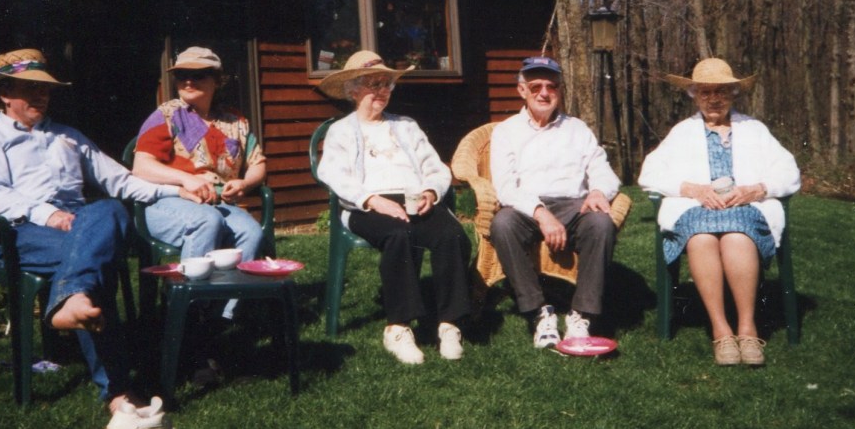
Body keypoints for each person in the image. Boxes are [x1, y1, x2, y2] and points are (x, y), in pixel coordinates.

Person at [0, 48, 200, 411]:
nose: (41, 95)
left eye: (44, 88)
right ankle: (118, 392)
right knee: (93, 261)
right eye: (30, 87)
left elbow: (120, 180)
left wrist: (176, 190)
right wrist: (48, 214)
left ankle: (73, 300)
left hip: (80, 224)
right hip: (20, 232)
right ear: (5, 93)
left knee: (109, 209)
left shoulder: (68, 136)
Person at [638, 58, 800, 366]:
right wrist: (693, 189)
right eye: (706, 92)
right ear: (695, 96)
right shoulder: (682, 132)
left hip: (744, 207)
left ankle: (747, 329)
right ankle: (721, 330)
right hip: (697, 209)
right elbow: (649, 174)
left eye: (721, 92)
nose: (714, 99)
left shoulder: (754, 129)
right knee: (701, 239)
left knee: (737, 236)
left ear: (733, 94)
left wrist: (757, 189)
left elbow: (789, 171)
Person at [316, 50, 471, 364]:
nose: (382, 91)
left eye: (386, 84)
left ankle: (449, 323)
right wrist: (372, 200)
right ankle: (398, 328)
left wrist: (430, 191)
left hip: (413, 198)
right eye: (373, 84)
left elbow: (435, 167)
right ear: (352, 90)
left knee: (451, 234)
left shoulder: (406, 126)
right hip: (364, 206)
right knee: (398, 234)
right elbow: (332, 173)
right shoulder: (341, 131)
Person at [489, 56, 621, 349]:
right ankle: (539, 312)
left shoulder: (577, 129)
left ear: (560, 90)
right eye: (535, 86)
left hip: (573, 204)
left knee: (601, 223)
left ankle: (581, 315)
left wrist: (598, 191)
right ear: (522, 90)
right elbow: (506, 187)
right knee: (502, 224)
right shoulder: (506, 131)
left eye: (551, 86)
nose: (544, 93)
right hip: (526, 206)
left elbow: (602, 169)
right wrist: (541, 213)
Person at [132, 47, 266, 320]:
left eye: (198, 75)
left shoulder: (236, 121)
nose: (188, 81)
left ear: (217, 80)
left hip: (218, 203)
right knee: (207, 221)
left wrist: (244, 183)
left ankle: (221, 316)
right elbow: (141, 167)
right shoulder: (168, 115)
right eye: (182, 75)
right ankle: (185, 313)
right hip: (168, 201)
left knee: (250, 233)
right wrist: (186, 179)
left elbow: (258, 163)